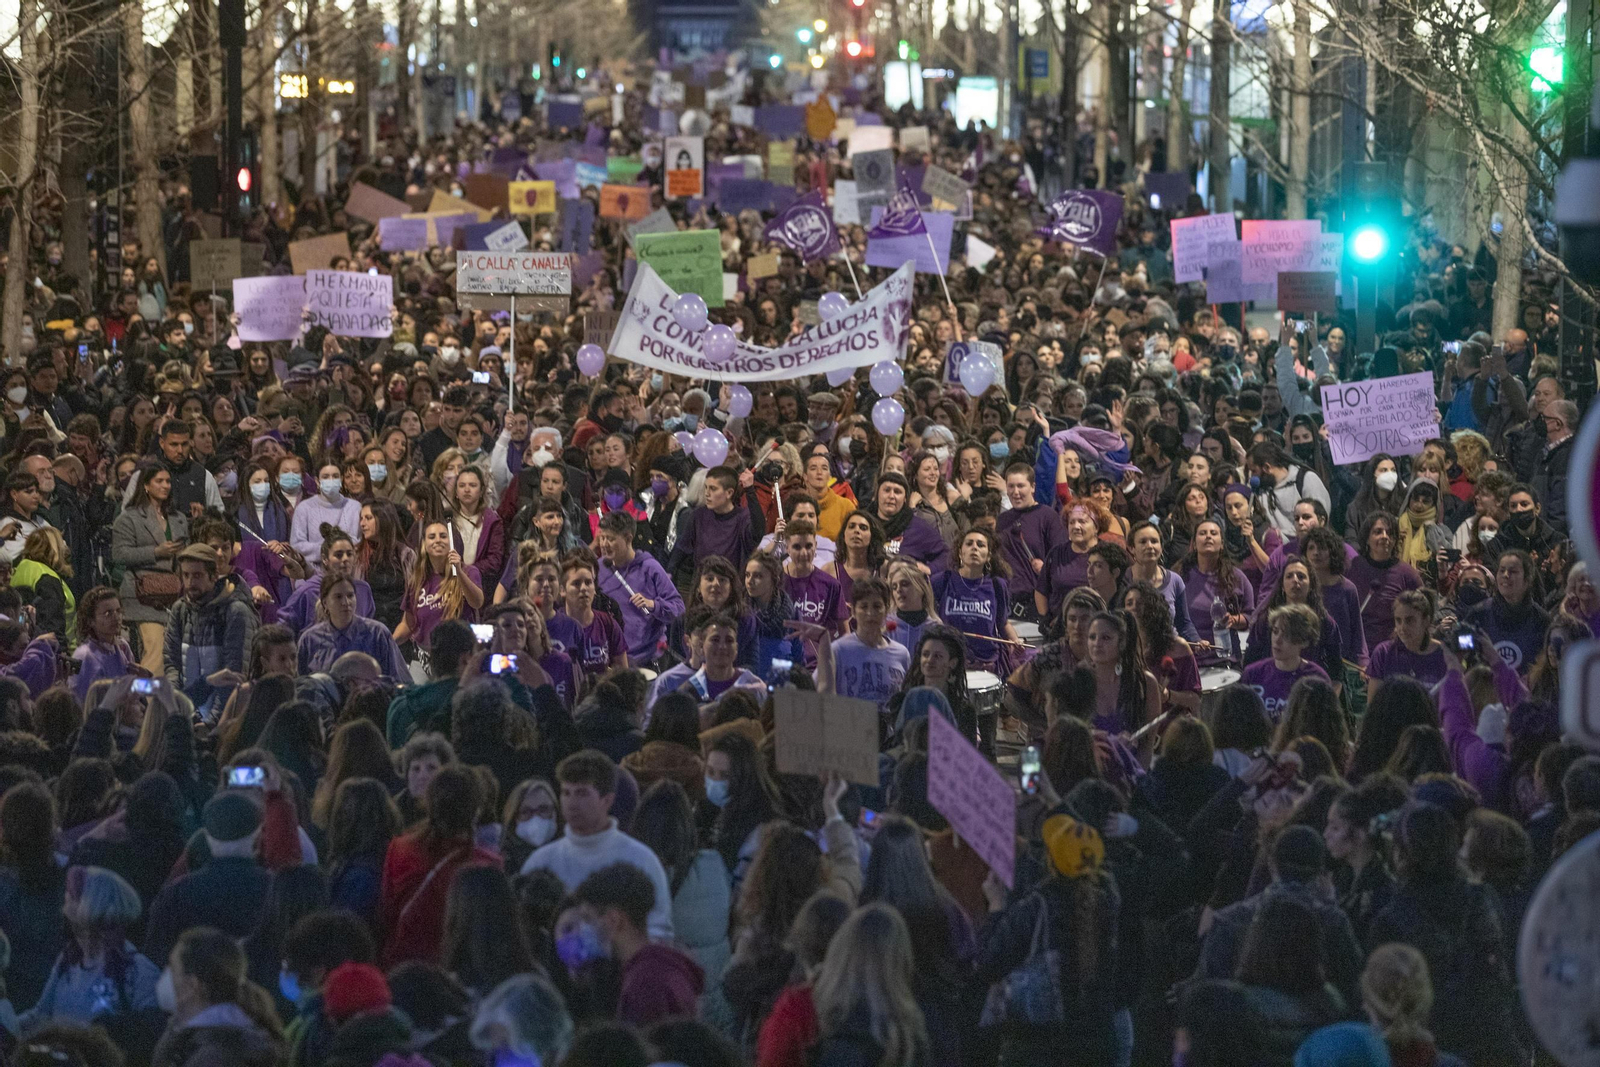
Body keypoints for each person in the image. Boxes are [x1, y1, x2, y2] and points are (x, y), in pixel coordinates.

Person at [1364, 802, 1525, 1064]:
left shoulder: (1390, 919)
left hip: (1433, 1049)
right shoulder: (1483, 898)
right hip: (1495, 1041)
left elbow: (1384, 998)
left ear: (1402, 853)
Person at [971, 814, 1118, 1067]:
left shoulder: (1034, 908)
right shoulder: (1108, 902)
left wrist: (996, 907)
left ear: (1051, 860)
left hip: (1038, 1046)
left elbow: (987, 963)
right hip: (1097, 1042)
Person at [519, 750, 674, 940]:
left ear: (607, 800)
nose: (572, 803)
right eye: (566, 793)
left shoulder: (640, 860)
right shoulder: (541, 862)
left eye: (582, 793)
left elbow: (660, 930)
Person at [378, 764, 500, 966]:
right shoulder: (487, 864)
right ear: (476, 810)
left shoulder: (399, 849)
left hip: (403, 966)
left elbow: (386, 913)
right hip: (454, 972)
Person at [18, 865, 160, 1033]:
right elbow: (41, 1015)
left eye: (72, 894)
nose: (65, 897)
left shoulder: (137, 970)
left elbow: (148, 1034)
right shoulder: (69, 959)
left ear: (93, 905)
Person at [569, 861, 704, 1028]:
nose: (582, 930)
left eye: (588, 919)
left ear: (613, 920)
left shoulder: (644, 984)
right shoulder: (663, 966)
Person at [143, 793, 274, 964]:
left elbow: (154, 957)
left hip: (195, 986)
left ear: (206, 836)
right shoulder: (276, 890)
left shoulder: (177, 893)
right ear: (258, 836)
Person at [150, 927, 283, 1067]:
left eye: (172, 968)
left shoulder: (214, 1056)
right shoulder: (198, 1040)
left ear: (192, 985)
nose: (166, 974)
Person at [162, 544, 257, 720]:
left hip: (225, 720)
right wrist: (178, 709)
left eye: (197, 576)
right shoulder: (180, 609)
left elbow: (234, 676)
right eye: (186, 575)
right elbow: (172, 665)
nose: (190, 583)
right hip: (188, 714)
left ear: (214, 576)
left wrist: (212, 723)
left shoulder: (235, 611)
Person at [111, 464, 189, 676]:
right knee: (155, 649)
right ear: (146, 485)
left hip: (173, 593)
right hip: (142, 595)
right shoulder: (129, 518)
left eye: (168, 481)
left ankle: (158, 700)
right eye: (159, 481)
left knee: (170, 652)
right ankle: (139, 696)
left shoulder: (178, 518)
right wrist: (156, 551)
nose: (165, 486)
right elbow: (119, 554)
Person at [596, 510, 683, 668]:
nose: (603, 544)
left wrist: (653, 605)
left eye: (610, 539)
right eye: (602, 537)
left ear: (628, 538)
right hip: (611, 659)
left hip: (647, 659)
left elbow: (678, 608)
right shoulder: (598, 568)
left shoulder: (650, 568)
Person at [821, 577, 910, 714]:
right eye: (863, 607)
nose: (870, 614)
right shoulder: (838, 650)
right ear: (853, 612)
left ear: (886, 610)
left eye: (877, 606)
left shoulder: (901, 654)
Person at [394, 519, 485, 652]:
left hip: (460, 655)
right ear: (424, 544)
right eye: (432, 537)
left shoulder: (468, 572)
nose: (438, 540)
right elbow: (408, 624)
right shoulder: (418, 580)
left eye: (443, 536)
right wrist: (389, 642)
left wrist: (459, 572)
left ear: (451, 542)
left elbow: (477, 602)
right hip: (426, 656)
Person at [296, 575, 409, 679]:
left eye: (350, 595)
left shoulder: (377, 634)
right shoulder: (310, 640)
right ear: (325, 603)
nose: (346, 602)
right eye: (338, 597)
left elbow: (398, 679)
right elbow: (302, 684)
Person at [995, 462, 1067, 621]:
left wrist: (1046, 568)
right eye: (1011, 486)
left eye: (1021, 486)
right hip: (1007, 603)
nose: (1015, 492)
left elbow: (1062, 557)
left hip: (1038, 604)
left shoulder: (1048, 516)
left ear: (1033, 487)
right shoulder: (1002, 520)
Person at [1368, 590, 1448, 692]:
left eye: (1409, 620)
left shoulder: (1444, 655)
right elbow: (1373, 704)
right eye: (1398, 620)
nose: (1402, 628)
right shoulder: (1383, 653)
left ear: (1426, 621)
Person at [71, 587, 136, 705]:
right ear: (91, 621)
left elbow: (135, 690)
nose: (116, 617)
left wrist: (146, 678)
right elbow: (81, 702)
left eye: (118, 611)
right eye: (108, 613)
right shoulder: (84, 656)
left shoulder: (123, 647)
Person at [290, 461, 361, 565]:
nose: (331, 480)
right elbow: (297, 546)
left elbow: (358, 543)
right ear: (317, 481)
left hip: (349, 572)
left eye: (335, 476)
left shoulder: (355, 507)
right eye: (326, 477)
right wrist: (331, 550)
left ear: (341, 479)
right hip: (313, 574)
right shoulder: (304, 508)